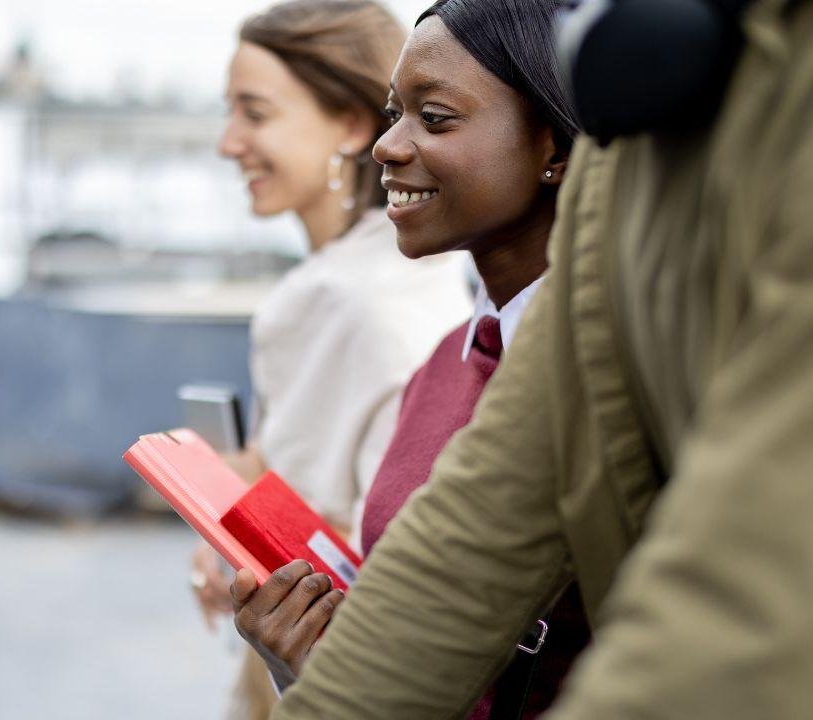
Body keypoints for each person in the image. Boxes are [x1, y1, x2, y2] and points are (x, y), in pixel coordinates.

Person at [267, 0, 813, 717]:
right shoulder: (642, 135)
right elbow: (476, 531)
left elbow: (759, 614)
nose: (391, 146)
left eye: (436, 117)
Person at [226, 2, 589, 717]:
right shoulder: (445, 364)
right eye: (395, 114)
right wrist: (311, 664)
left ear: (554, 146)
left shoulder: (603, 384)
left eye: (436, 118)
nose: (387, 146)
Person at [186, 0, 472, 716]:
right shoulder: (422, 274)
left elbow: (363, 534)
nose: (228, 142)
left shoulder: (339, 302)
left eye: (255, 113)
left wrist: (235, 540)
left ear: (349, 125)